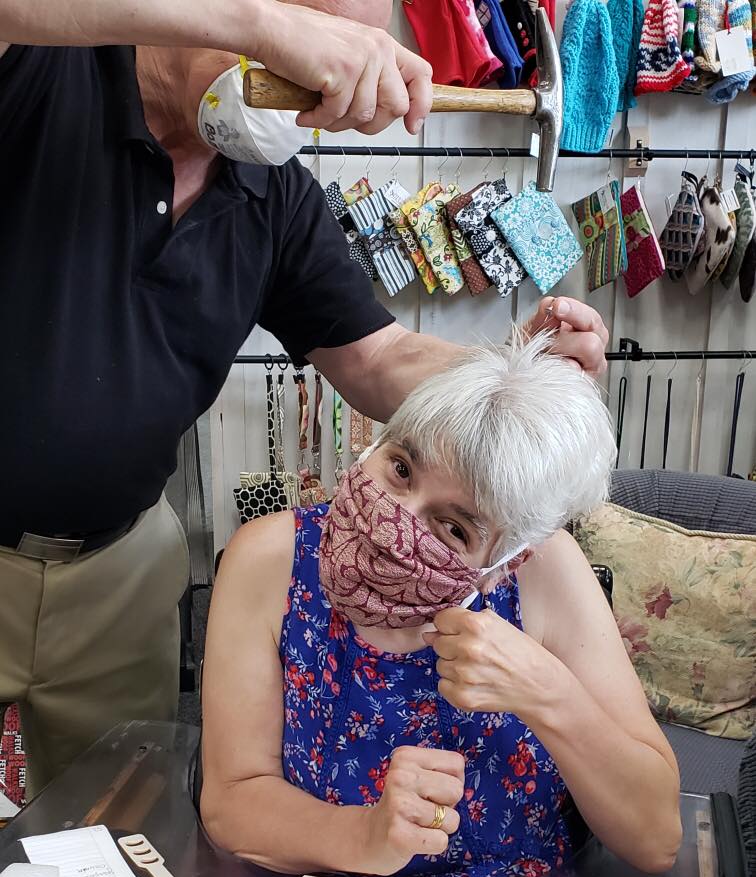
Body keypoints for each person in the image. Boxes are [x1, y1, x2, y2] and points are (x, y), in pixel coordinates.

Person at [0, 0, 609, 796]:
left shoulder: (273, 197)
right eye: (312, 41)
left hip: (119, 572)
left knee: (113, 825)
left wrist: (507, 369)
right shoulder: (47, 62)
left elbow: (378, 358)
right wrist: (262, 26)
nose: (308, 88)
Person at [200, 336, 682, 877]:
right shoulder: (270, 559)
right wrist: (363, 835)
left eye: (453, 528)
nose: (395, 521)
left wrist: (547, 693)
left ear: (505, 563)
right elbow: (231, 802)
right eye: (401, 468)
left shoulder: (547, 574)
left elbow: (656, 839)